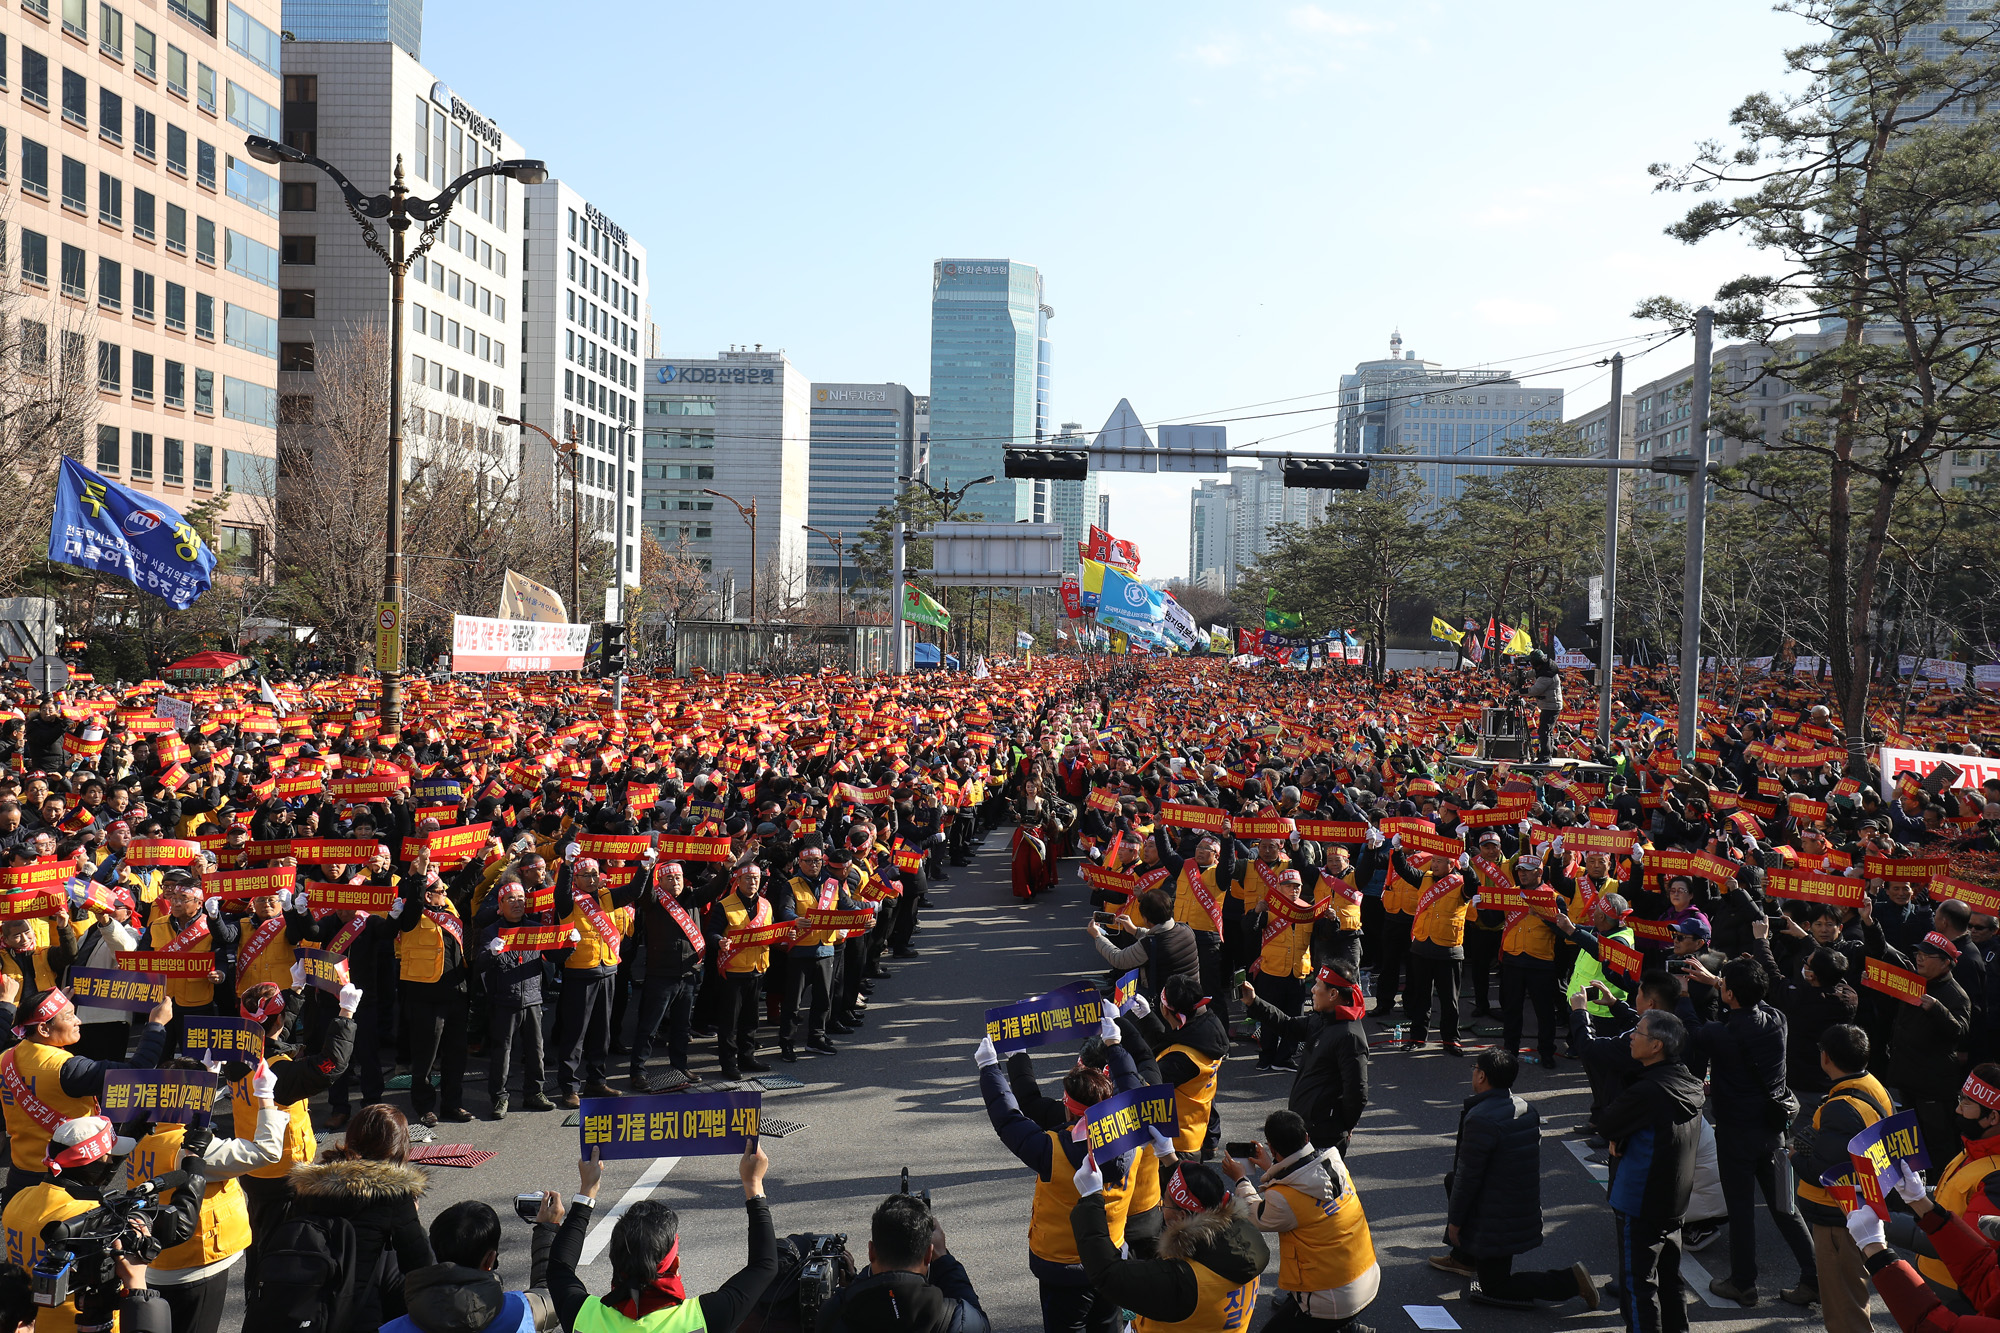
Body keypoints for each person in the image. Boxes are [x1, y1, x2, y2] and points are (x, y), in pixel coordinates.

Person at [1673, 943, 1817, 1307]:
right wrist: (1719, 982)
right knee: (1785, 1207)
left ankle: (1743, 1282)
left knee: (1740, 1209)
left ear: (1731, 994)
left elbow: (1692, 1029)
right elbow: (1748, 1002)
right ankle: (1814, 1278)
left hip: (1736, 1134)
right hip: (1774, 1132)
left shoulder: (1721, 1034)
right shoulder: (1776, 1020)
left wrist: (1687, 992)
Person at [976, 1009, 1136, 1333]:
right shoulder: (1131, 1137)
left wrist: (990, 1068)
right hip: (1110, 1260)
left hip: (1061, 1269)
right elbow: (1133, 1087)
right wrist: (1116, 1044)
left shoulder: (1051, 1149)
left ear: (1066, 1106)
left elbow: (1009, 1118)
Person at [1429, 1049, 1598, 1311]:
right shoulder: (1526, 1109)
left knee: (1494, 1287)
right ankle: (1465, 1258)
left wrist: (1455, 1224)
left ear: (1482, 1076)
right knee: (1452, 1179)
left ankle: (1570, 1281)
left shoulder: (1481, 1119)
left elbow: (1469, 1179)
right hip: (1516, 1206)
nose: (1473, 1072)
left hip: (1496, 1220)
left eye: (1475, 1068)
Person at [547, 1142, 778, 1331]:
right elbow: (764, 1266)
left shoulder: (583, 1317)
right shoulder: (704, 1318)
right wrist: (753, 1183)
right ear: (675, 1264)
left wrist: (587, 1191)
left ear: (614, 1259)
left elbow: (559, 1268)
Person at [0, 1116, 175, 1333]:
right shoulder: (96, 1218)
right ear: (93, 1165)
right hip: (86, 1325)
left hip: (32, 1322)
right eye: (109, 1157)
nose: (112, 1163)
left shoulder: (19, 1199)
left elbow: (81, 1182)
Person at [0, 985, 173, 1202]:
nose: (78, 1021)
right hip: (66, 1176)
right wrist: (156, 1025)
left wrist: (61, 1005)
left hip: (21, 1171)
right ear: (44, 1029)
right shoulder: (68, 1069)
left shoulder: (6, 1057)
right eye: (70, 1016)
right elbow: (138, 1070)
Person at [1597, 1009, 1705, 1333]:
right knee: (1671, 1279)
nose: (1631, 1036)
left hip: (1640, 1200)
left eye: (1638, 1032)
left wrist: (1618, 1136)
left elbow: (1607, 1122)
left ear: (1656, 1046)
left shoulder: (1647, 1091)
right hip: (1674, 1199)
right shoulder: (1687, 1080)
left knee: (1638, 1287)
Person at [282, 1102, 435, 1330]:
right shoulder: (393, 1193)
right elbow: (421, 1263)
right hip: (357, 1313)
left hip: (303, 1303)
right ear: (398, 1146)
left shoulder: (311, 1185)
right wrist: (410, 1215)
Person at [1070, 1156, 1269, 1329]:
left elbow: (1107, 1275)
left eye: (1164, 1203)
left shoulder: (1180, 1281)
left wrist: (1090, 1200)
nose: (1162, 1208)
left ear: (1181, 1216)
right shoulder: (1247, 1235)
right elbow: (1197, 1195)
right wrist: (1170, 1160)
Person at [1226, 1109, 1380, 1332]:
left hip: (1332, 1298)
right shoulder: (1335, 1165)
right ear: (1306, 1137)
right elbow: (1305, 1182)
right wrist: (1272, 1167)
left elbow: (1254, 1214)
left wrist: (1239, 1178)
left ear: (1271, 1146)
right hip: (1366, 1277)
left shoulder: (1283, 1199)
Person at [1790, 1024, 1893, 1333]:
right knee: (1852, 1298)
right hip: (1863, 1206)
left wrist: (1796, 1155)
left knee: (1844, 1310)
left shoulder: (1840, 1107)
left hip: (1839, 1219)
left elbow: (1827, 1173)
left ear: (1827, 1058)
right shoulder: (1874, 1085)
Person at [1234, 964, 1370, 1157]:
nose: (1312, 990)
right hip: (1305, 1126)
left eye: (1317, 986)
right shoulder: (1323, 1018)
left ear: (1333, 994)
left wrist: (1342, 1127)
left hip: (1324, 1135)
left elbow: (1357, 1092)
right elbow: (1288, 1026)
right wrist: (1254, 1002)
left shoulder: (1349, 1037)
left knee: (1317, 1185)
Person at [381, 1198, 563, 1333]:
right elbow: (556, 1296)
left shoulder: (389, 1329)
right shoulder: (521, 1310)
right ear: (490, 1260)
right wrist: (548, 1228)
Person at [815, 1192, 990, 1332]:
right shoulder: (957, 1319)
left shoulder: (833, 1314)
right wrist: (943, 1258)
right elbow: (977, 1320)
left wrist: (855, 1285)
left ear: (871, 1251)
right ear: (929, 1255)